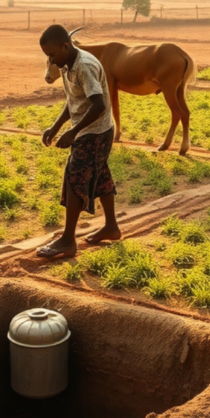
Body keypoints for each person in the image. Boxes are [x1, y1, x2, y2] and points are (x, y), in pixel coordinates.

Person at [36, 24, 121, 259]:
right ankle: (111, 227)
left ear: (65, 46)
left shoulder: (84, 66)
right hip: (91, 130)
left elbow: (98, 104)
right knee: (100, 174)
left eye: (52, 55)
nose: (51, 61)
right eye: (47, 56)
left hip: (96, 131)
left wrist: (73, 132)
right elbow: (74, 99)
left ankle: (67, 240)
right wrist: (56, 127)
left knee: (74, 177)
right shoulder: (66, 64)